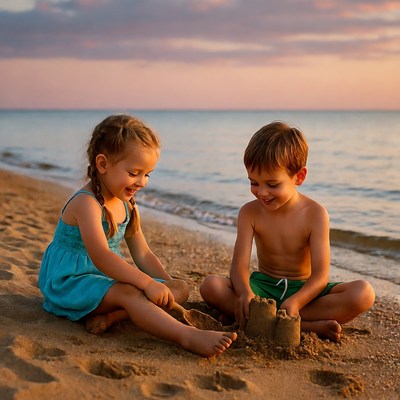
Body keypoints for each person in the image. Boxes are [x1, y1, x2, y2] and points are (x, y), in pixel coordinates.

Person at [39, 114, 236, 358]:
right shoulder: (85, 203)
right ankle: (187, 336)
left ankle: (113, 316)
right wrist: (147, 284)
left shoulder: (128, 204)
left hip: (105, 281)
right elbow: (101, 257)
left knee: (180, 289)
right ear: (103, 164)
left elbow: (142, 253)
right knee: (129, 292)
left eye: (147, 174)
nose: (142, 182)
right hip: (71, 283)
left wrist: (165, 286)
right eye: (134, 173)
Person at [200, 121, 375, 342]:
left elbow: (320, 276)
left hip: (304, 291)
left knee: (363, 293)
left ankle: (266, 318)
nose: (262, 192)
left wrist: (296, 302)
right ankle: (304, 325)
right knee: (211, 286)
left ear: (299, 177)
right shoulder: (249, 213)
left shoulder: (316, 214)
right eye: (254, 182)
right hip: (263, 287)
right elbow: (239, 266)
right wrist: (245, 293)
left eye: (272, 184)